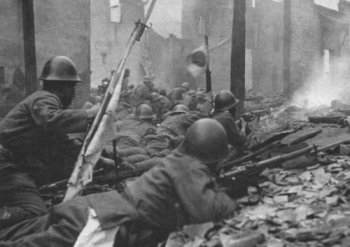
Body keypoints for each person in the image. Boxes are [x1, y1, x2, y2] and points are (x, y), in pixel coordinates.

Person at [0, 118, 239, 247]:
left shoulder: (176, 159)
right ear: (211, 155)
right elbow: (206, 209)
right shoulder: (190, 166)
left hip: (95, 208)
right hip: (107, 223)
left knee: (16, 234)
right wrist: (229, 196)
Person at [0, 56, 103, 228]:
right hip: (5, 164)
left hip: (12, 162)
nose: (74, 93)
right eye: (72, 88)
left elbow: (65, 145)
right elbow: (51, 120)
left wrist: (99, 159)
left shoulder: (45, 102)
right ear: (62, 88)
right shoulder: (45, 99)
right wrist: (89, 114)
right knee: (36, 213)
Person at [211, 90, 247, 154]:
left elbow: (223, 126)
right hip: (225, 153)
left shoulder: (213, 115)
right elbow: (239, 140)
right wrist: (243, 127)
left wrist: (235, 123)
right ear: (228, 106)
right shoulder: (226, 117)